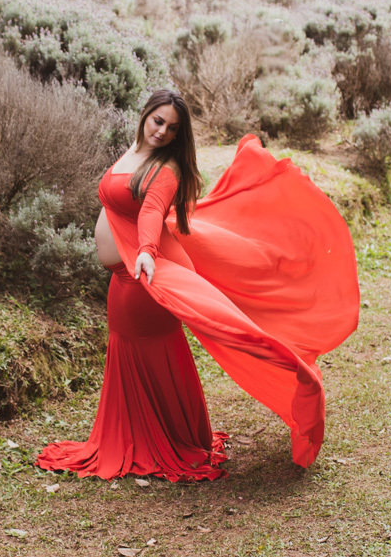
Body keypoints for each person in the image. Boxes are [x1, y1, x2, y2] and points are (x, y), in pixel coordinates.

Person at [35, 89, 359, 481]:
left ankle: (159, 441)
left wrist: (147, 250)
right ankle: (155, 436)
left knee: (146, 350)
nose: (162, 132)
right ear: (145, 115)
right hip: (126, 277)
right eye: (158, 121)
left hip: (144, 277)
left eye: (172, 128)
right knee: (132, 350)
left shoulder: (166, 169)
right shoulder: (134, 152)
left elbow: (152, 210)